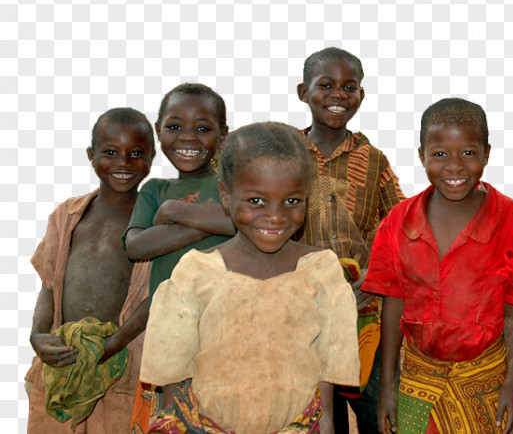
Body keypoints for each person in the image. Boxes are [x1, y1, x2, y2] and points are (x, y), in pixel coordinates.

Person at [139, 122, 360, 434]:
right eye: (256, 200)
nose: (275, 215)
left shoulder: (320, 270)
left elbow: (330, 365)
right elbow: (172, 371)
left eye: (292, 201)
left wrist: (325, 424)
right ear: (226, 196)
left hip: (297, 427)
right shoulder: (196, 271)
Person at [363, 98, 513, 434]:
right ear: (422, 154)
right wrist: (387, 390)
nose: (454, 166)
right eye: (439, 154)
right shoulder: (398, 221)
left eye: (468, 153)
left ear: (487, 153)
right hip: (417, 379)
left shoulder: (507, 216)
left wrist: (512, 386)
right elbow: (392, 307)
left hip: (485, 381)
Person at [26, 108, 156, 433]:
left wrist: (111, 344)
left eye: (136, 153)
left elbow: (158, 295)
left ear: (152, 157)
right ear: (91, 155)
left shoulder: (156, 221)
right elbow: (49, 286)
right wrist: (38, 335)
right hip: (65, 361)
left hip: (123, 363)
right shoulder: (66, 216)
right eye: (110, 152)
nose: (123, 163)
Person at [296, 47, 405, 433]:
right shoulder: (283, 154)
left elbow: (401, 224)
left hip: (363, 311)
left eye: (350, 86)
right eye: (325, 85)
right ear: (302, 92)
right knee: (313, 417)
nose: (338, 95)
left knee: (375, 410)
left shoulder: (373, 159)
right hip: (298, 313)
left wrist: (372, 278)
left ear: (361, 95)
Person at [123, 83, 235, 430]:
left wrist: (173, 212)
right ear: (158, 131)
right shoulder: (155, 190)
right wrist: (213, 221)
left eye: (203, 129)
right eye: (174, 127)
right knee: (174, 423)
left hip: (227, 331)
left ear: (223, 135)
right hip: (171, 336)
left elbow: (246, 220)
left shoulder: (232, 186)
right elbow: (137, 246)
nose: (188, 138)